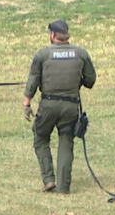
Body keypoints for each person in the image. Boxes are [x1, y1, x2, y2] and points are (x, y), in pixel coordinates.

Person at [23, 20, 96, 194]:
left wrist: (26, 103)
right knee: (66, 142)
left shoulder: (43, 54)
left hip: (48, 105)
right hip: (70, 106)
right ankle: (63, 187)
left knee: (40, 137)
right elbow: (90, 81)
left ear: (53, 35)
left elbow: (33, 81)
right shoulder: (81, 53)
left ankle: (48, 180)